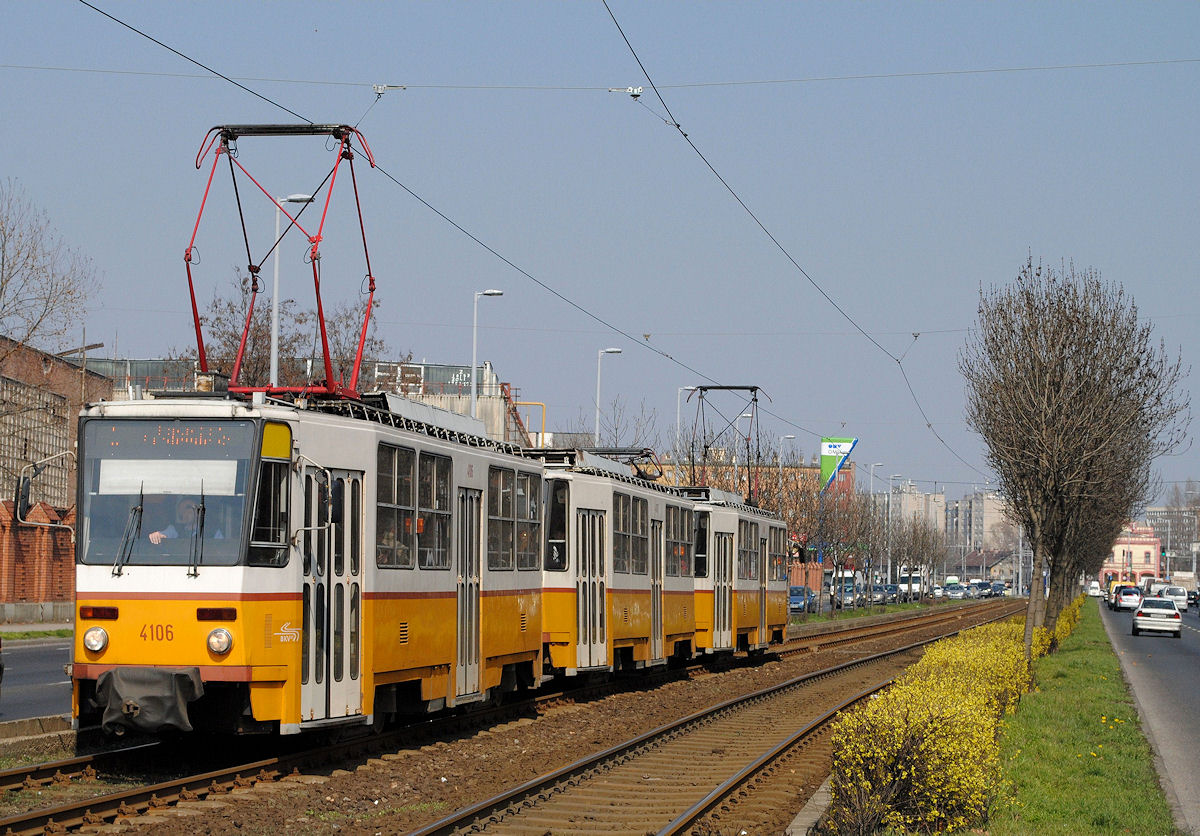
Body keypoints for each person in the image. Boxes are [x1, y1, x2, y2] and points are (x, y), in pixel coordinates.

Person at [149, 497, 221, 543]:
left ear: (199, 509)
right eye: (182, 510)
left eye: (188, 507)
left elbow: (221, 549)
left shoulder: (213, 531)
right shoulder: (175, 529)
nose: (185, 512)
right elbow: (163, 535)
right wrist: (157, 535)